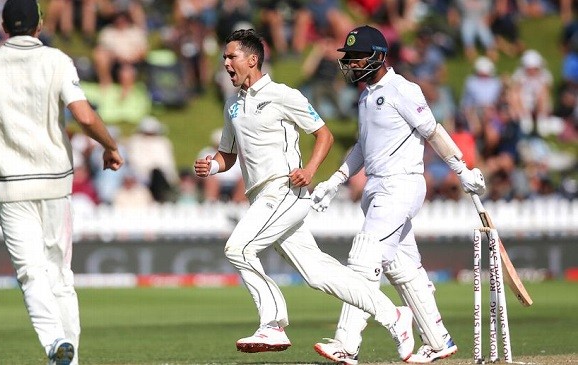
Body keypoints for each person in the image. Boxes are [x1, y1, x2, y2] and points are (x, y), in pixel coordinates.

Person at [194, 28, 415, 362]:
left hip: (286, 190)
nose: (225, 63)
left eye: (231, 56)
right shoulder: (232, 106)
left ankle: (273, 323)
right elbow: (229, 155)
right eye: (224, 57)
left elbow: (323, 135)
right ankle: (393, 314)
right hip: (263, 199)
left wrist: (310, 170)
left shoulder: (283, 95)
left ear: (252, 59)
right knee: (317, 273)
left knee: (238, 248)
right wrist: (211, 167)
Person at [0, 0, 124, 364]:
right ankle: (69, 358)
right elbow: (85, 115)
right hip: (55, 182)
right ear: (39, 26)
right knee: (59, 274)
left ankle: (55, 342)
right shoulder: (56, 60)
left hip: (11, 186)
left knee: (31, 273)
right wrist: (110, 146)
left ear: (3, 26)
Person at [310, 25, 486, 364]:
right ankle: (438, 341)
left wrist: (461, 168)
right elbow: (363, 146)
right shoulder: (364, 97)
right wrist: (335, 181)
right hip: (377, 186)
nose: (351, 65)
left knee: (364, 257)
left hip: (401, 185)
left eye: (357, 58)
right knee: (401, 267)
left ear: (377, 56)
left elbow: (432, 131)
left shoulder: (402, 90)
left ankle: (346, 344)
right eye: (349, 59)